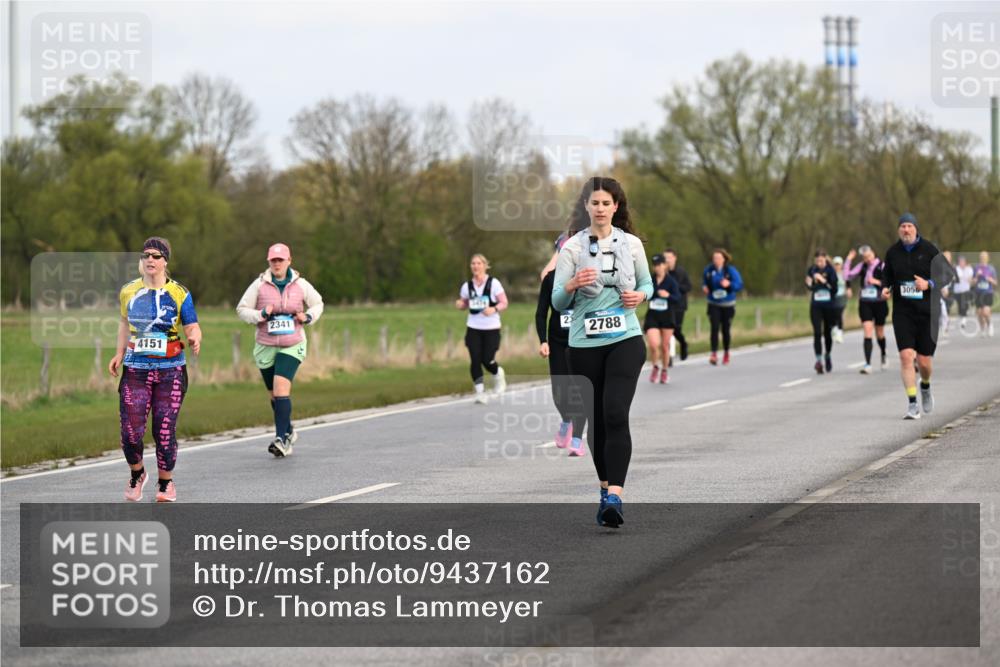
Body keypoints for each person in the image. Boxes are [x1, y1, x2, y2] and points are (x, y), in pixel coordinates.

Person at [552, 176, 653, 528]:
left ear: (616, 206)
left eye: (606, 203)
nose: (600, 208)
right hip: (584, 344)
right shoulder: (572, 249)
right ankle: (604, 488)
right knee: (596, 421)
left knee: (615, 413)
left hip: (626, 338)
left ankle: (615, 497)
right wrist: (571, 284)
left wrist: (640, 296)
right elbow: (557, 301)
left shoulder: (632, 245)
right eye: (594, 203)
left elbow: (647, 283)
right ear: (586, 206)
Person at [109, 237, 202, 502]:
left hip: (170, 370)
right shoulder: (128, 291)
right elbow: (124, 323)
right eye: (146, 255)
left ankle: (165, 483)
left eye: (156, 255)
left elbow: (192, 325)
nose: (150, 259)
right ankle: (137, 473)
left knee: (164, 429)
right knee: (130, 432)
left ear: (165, 261)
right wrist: (119, 353)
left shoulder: (180, 293)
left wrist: (194, 337)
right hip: (136, 370)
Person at [237, 243, 324, 457]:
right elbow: (242, 309)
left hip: (293, 344)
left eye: (280, 260)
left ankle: (282, 440)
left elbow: (318, 303)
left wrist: (308, 317)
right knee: (274, 395)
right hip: (265, 345)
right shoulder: (259, 284)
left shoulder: (301, 284)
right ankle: (288, 429)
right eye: (273, 260)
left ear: (289, 261)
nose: (277, 264)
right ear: (269, 262)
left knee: (281, 388)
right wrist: (260, 315)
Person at [880, 213, 952, 419]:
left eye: (909, 226)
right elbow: (887, 276)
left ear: (916, 229)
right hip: (903, 312)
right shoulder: (892, 252)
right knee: (906, 357)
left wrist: (929, 284)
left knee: (924, 362)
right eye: (903, 226)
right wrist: (885, 288)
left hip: (927, 312)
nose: (906, 230)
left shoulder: (929, 249)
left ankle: (925, 386)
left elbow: (947, 274)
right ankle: (912, 404)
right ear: (898, 230)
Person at [537, 248, 586, 454]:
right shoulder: (550, 279)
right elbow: (541, 313)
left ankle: (577, 439)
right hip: (557, 341)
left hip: (581, 340)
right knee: (559, 392)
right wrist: (543, 341)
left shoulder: (586, 275)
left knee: (578, 390)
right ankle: (566, 420)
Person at [456, 254, 508, 404]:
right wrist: (460, 304)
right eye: (473, 263)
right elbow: (465, 303)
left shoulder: (494, 283)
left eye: (479, 263)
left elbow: (504, 302)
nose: (475, 266)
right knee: (475, 359)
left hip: (491, 328)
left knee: (487, 360)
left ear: (485, 266)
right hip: (473, 327)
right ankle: (480, 392)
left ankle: (498, 374)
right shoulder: (467, 286)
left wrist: (493, 309)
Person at [844, 245, 890, 373]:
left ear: (873, 253)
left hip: (879, 302)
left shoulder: (882, 265)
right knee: (867, 330)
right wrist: (848, 260)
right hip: (865, 302)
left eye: (869, 256)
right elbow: (847, 276)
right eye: (864, 258)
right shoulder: (862, 266)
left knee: (879, 333)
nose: (867, 259)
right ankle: (868, 364)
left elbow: (889, 283)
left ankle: (883, 353)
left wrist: (876, 282)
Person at [701, 249, 744, 365]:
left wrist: (729, 284)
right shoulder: (708, 270)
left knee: (725, 330)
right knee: (714, 328)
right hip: (713, 303)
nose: (716, 260)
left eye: (719, 258)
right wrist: (704, 287)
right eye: (714, 258)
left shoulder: (730, 271)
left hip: (727, 304)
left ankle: (726, 352)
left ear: (724, 259)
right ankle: (714, 354)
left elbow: (739, 285)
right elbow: (704, 282)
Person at [644, 254, 681, 383]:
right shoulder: (650, 280)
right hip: (652, 316)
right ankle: (655, 366)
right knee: (654, 345)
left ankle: (664, 370)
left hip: (667, 317)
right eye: (655, 265)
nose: (657, 268)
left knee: (665, 347)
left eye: (659, 265)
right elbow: (644, 293)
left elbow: (678, 299)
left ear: (665, 265)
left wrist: (668, 295)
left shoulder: (671, 281)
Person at [805, 250, 840, 374]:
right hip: (816, 306)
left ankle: (828, 355)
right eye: (817, 261)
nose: (819, 263)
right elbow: (809, 285)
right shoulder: (812, 270)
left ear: (825, 259)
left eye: (821, 261)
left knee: (827, 333)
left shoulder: (831, 271)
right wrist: (810, 282)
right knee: (817, 332)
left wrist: (823, 281)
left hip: (829, 306)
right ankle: (818, 360)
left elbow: (834, 289)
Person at [664, 249, 692, 362]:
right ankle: (668, 357)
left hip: (679, 305)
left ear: (675, 258)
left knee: (676, 330)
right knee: (667, 330)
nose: (667, 260)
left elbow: (688, 287)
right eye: (665, 257)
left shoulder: (681, 271)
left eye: (669, 257)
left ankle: (683, 343)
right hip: (665, 306)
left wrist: (675, 286)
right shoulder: (662, 271)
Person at [973, 251, 997, 337]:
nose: (983, 258)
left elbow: (995, 283)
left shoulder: (991, 268)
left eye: (984, 257)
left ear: (987, 258)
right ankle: (982, 329)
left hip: (988, 292)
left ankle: (990, 325)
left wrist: (990, 280)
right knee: (979, 313)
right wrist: (976, 276)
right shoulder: (976, 268)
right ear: (980, 258)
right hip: (978, 293)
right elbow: (972, 282)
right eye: (981, 257)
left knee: (986, 312)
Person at [831, 255, 850, 344]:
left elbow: (848, 283)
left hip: (842, 296)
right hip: (833, 297)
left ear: (841, 265)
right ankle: (834, 329)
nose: (837, 266)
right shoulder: (831, 274)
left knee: (839, 314)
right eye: (835, 264)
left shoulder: (844, 274)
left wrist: (849, 290)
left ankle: (839, 332)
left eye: (838, 264)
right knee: (833, 314)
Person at [953, 254, 974, 330]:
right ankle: (963, 315)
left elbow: (970, 279)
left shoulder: (969, 269)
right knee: (960, 307)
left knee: (963, 304)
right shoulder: (956, 269)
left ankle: (964, 320)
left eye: (963, 261)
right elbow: (957, 278)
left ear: (965, 262)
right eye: (960, 261)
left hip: (965, 290)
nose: (961, 263)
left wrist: (969, 279)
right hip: (957, 290)